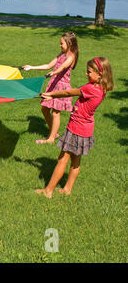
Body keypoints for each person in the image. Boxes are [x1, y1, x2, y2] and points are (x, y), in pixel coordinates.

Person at [35, 57, 114, 198]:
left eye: (89, 72)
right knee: (76, 160)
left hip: (76, 128)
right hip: (86, 129)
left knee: (62, 159)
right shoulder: (101, 88)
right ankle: (67, 189)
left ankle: (48, 191)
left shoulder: (90, 88)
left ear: (100, 74)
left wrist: (51, 94)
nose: (86, 74)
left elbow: (68, 92)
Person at [23, 31, 79, 144]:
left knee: (55, 113)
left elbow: (63, 67)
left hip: (62, 87)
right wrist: (31, 67)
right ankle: (53, 131)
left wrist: (52, 73)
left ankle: (51, 139)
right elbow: (48, 65)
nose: (60, 45)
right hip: (53, 85)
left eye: (62, 43)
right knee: (44, 109)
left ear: (70, 44)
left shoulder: (71, 56)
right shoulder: (61, 54)